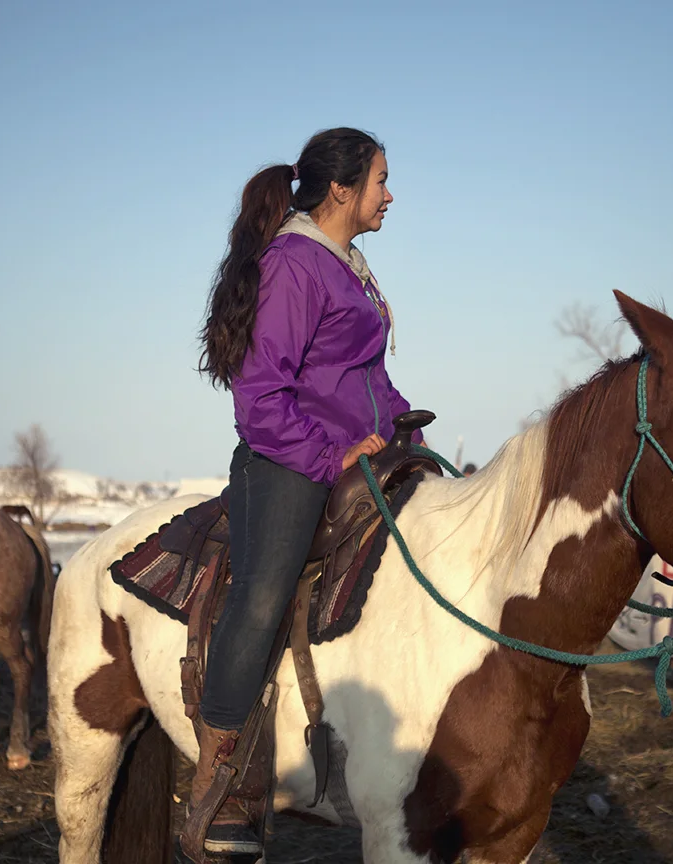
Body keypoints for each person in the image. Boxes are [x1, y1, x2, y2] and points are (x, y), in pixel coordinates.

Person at [190, 128, 417, 857]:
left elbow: (368, 375)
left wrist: (403, 427)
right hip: (286, 459)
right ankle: (219, 775)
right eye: (382, 179)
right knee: (262, 594)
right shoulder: (295, 263)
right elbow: (261, 397)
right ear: (342, 189)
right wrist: (331, 452)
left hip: (359, 452)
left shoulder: (350, 266)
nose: (391, 194)